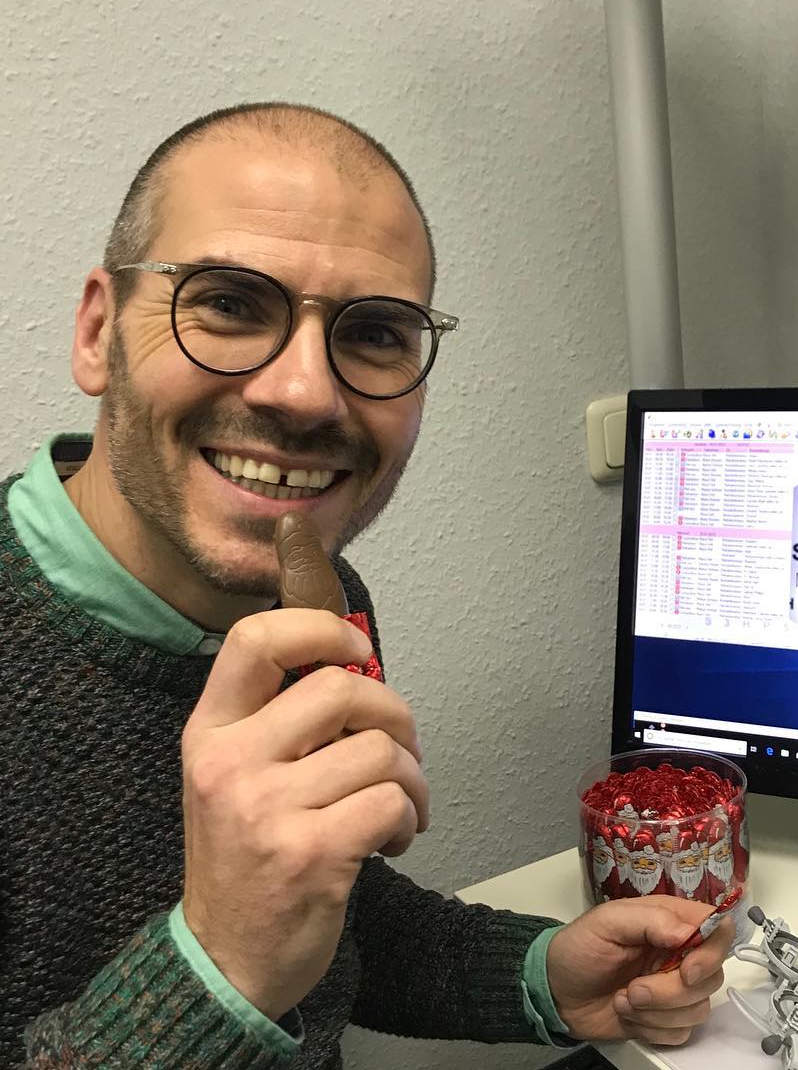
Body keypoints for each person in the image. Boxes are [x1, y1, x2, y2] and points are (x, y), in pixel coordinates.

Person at [0, 102, 733, 1069]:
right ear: (99, 332)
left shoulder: (320, 600)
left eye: (376, 332)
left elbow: (325, 925)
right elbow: (260, 944)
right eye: (229, 303)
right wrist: (221, 967)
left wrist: (542, 975)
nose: (306, 392)